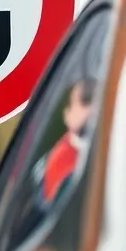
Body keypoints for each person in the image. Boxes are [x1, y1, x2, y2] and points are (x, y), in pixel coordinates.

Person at [38, 77, 96, 205]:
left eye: (93, 101)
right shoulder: (61, 158)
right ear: (67, 114)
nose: (92, 109)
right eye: (85, 100)